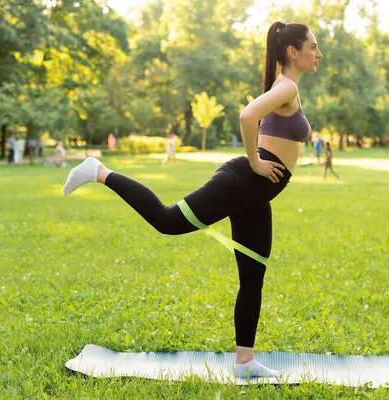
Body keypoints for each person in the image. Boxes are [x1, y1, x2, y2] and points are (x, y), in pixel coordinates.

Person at [63, 21, 322, 378]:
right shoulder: (287, 86)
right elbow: (248, 116)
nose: (318, 54)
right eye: (313, 47)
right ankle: (99, 171)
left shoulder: (286, 87)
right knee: (168, 221)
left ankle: (245, 362)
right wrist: (255, 162)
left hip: (255, 195)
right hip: (245, 182)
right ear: (293, 52)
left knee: (253, 274)